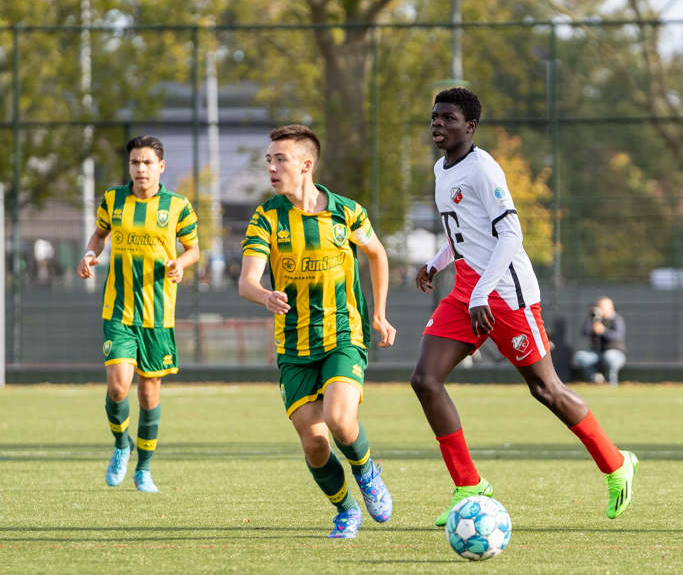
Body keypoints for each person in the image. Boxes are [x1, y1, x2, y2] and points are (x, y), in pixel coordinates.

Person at [411, 88, 638, 526]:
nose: (438, 124)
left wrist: (481, 293)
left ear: (470, 126)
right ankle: (469, 486)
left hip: (506, 295)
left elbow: (510, 235)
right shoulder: (442, 169)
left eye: (448, 118)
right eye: (434, 117)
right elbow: (464, 232)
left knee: (545, 389)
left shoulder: (484, 168)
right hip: (467, 291)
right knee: (425, 380)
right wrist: (436, 263)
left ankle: (616, 464)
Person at [238, 125, 397, 539]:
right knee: (315, 444)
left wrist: (379, 314)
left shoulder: (346, 212)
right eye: (269, 160)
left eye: (280, 159)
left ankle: (366, 471)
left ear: (306, 165)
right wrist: (264, 295)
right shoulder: (267, 217)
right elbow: (247, 281)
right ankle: (345, 510)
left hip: (344, 335)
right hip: (293, 347)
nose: (271, 167)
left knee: (340, 419)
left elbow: (378, 254)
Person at [77, 136, 200, 492]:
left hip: (158, 314)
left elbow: (193, 249)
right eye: (134, 162)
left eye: (147, 162)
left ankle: (143, 469)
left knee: (148, 395)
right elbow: (99, 235)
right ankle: (121, 445)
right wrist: (88, 254)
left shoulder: (177, 205)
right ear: (129, 166)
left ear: (161, 166)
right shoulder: (113, 200)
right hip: (119, 310)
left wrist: (180, 263)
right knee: (118, 388)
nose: (140, 169)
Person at [572, 297, 627, 385]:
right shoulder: (594, 320)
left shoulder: (616, 319)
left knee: (610, 357)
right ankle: (596, 379)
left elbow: (618, 335)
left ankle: (611, 381)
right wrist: (591, 318)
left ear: (611, 307)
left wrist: (603, 331)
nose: (600, 308)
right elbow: (584, 333)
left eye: (603, 306)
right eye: (599, 306)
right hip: (596, 354)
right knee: (580, 357)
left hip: (615, 353)